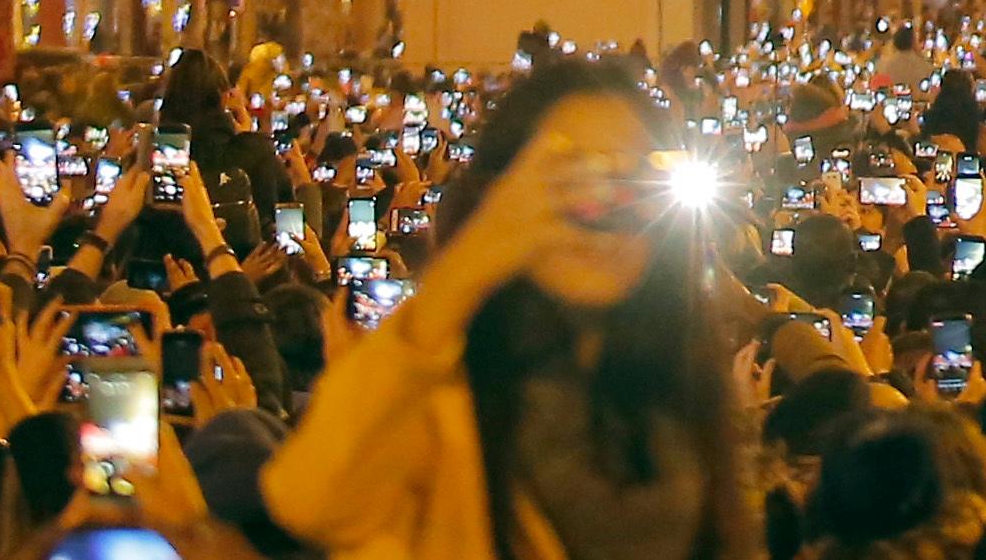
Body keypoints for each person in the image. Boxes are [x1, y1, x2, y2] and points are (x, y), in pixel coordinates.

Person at [264, 53, 753, 560]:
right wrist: (463, 271)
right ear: (504, 195)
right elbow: (310, 499)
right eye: (570, 179)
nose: (601, 211)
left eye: (634, 177)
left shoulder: (676, 370)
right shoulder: (437, 391)